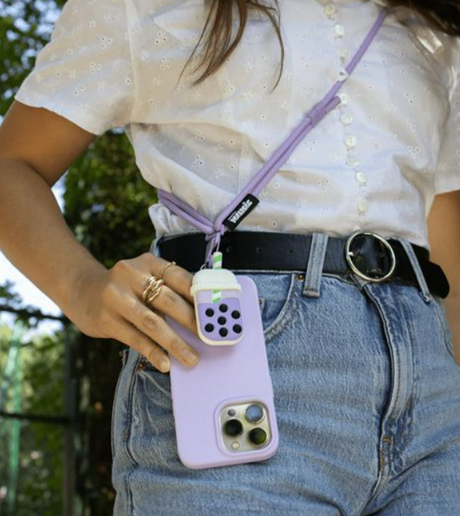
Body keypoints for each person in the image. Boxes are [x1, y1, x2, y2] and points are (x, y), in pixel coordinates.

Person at [0, 0, 459, 514]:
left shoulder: (434, 27)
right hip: (235, 352)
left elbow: (447, 246)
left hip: (434, 396)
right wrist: (81, 287)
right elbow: (12, 164)